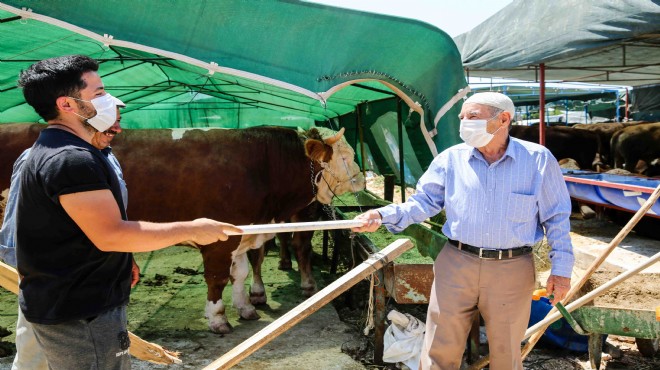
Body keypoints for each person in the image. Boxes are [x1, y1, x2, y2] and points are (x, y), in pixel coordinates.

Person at [14, 54, 241, 370]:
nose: (108, 101)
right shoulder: (71, 159)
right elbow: (112, 234)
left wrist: (121, 262)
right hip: (81, 314)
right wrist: (193, 229)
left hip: (77, 305)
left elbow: (87, 232)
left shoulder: (64, 150)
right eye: (99, 94)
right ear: (67, 105)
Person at [352, 92, 574, 370]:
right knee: (439, 346)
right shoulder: (451, 159)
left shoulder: (537, 160)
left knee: (506, 351)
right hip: (457, 262)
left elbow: (557, 218)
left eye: (473, 117)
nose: (464, 124)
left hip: (512, 268)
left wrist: (562, 271)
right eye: (462, 117)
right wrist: (381, 215)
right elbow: (422, 203)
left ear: (503, 119)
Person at [0, 99, 136, 369]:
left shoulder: (107, 157)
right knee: (35, 357)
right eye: (110, 125)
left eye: (118, 124)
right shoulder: (39, 159)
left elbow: (111, 218)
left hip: (96, 285)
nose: (116, 131)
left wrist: (125, 256)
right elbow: (16, 224)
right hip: (52, 287)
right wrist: (34, 279)